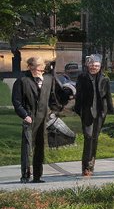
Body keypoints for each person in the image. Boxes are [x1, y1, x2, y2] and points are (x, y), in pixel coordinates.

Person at [12, 55, 71, 183]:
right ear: (31, 67)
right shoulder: (22, 81)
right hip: (30, 117)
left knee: (40, 147)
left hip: (43, 117)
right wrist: (25, 115)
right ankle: (25, 175)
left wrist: (66, 96)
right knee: (27, 147)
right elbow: (17, 102)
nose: (41, 70)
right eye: (39, 67)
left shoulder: (48, 79)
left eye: (42, 68)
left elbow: (55, 97)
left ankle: (38, 176)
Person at [74, 54, 113, 178]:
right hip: (87, 112)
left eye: (96, 65)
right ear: (87, 65)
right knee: (88, 137)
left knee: (95, 138)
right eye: (91, 65)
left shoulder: (105, 78)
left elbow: (108, 96)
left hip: (100, 112)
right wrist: (78, 110)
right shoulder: (82, 77)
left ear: (100, 66)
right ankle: (85, 167)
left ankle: (91, 166)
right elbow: (78, 95)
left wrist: (109, 110)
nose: (93, 67)